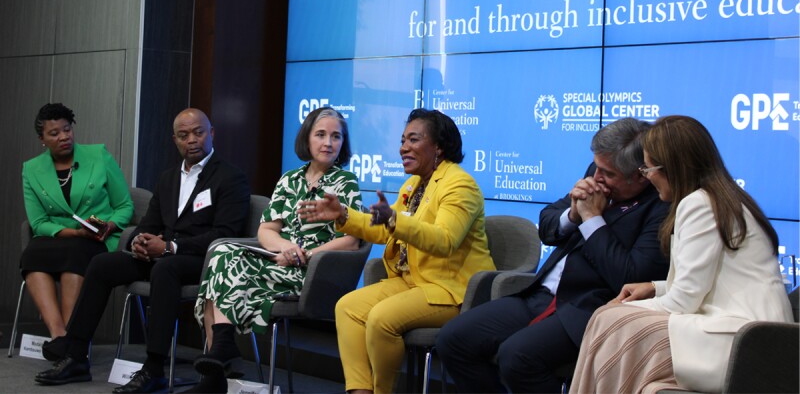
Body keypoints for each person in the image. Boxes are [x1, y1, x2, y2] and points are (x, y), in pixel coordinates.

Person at [436, 117, 671, 393]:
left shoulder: (660, 206)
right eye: (595, 167)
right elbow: (547, 225)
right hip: (541, 295)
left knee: (517, 357)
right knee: (452, 339)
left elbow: (630, 276)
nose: (596, 178)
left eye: (607, 174)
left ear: (640, 176)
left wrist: (593, 219)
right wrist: (573, 214)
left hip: (588, 308)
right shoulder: (598, 172)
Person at [570, 115, 794, 394]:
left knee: (609, 318)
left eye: (649, 168)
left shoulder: (699, 204)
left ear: (672, 168)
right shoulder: (717, 197)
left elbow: (684, 301)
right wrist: (654, 288)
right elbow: (705, 284)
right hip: (743, 331)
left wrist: (623, 309)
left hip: (742, 340)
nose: (647, 176)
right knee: (610, 319)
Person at [34, 108, 251, 394]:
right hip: (163, 255)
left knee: (165, 269)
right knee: (102, 264)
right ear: (175, 140)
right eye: (184, 135)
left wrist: (171, 247)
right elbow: (149, 223)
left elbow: (226, 235)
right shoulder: (168, 177)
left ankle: (154, 369)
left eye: (199, 132)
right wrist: (138, 241)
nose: (192, 140)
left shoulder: (230, 177)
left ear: (211, 134)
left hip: (203, 261)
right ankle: (75, 356)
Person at [298, 108, 495, 394]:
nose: (403, 147)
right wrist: (343, 214)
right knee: (348, 308)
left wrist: (394, 220)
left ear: (438, 147)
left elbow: (445, 240)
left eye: (413, 140)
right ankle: (359, 391)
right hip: (413, 282)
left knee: (381, 319)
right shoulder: (414, 184)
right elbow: (383, 228)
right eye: (403, 140)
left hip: (451, 290)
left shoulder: (459, 185)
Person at [184, 107, 363, 393]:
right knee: (221, 254)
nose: (328, 142)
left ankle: (217, 364)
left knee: (218, 277)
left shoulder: (345, 182)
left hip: (314, 272)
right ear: (307, 139)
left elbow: (353, 240)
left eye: (336, 136)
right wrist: (287, 248)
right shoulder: (290, 179)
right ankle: (221, 351)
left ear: (343, 143)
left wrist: (303, 254)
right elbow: (266, 230)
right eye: (321, 135)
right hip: (280, 261)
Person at [21, 103, 134, 349]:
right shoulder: (31, 169)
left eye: (67, 129)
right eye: (54, 133)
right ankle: (59, 336)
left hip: (96, 240)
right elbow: (38, 222)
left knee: (76, 253)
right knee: (31, 255)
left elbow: (125, 205)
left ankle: (72, 341)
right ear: (42, 139)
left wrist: (110, 226)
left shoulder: (98, 155)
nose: (64, 137)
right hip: (58, 237)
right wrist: (74, 232)